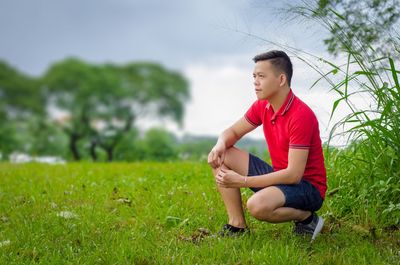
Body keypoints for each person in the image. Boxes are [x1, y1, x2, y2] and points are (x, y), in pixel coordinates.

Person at [207, 50, 327, 242]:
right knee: (224, 154)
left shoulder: (301, 115)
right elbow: (233, 132)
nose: (255, 82)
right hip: (281, 178)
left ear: (281, 79)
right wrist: (220, 144)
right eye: (254, 76)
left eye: (261, 76)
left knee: (257, 206)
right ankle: (237, 226)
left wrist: (242, 181)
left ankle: (307, 219)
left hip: (307, 187)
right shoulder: (262, 105)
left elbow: (293, 175)